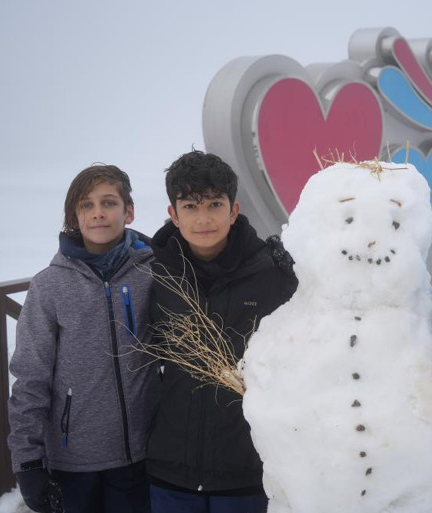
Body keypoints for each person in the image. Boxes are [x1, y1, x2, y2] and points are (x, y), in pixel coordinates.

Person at [146, 150, 297, 513]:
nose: (203, 218)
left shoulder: (272, 273)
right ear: (173, 214)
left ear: (233, 210)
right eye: (190, 206)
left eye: (214, 204)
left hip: (245, 469)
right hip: (170, 468)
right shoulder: (153, 272)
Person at [8, 165, 159, 513]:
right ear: (74, 217)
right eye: (86, 205)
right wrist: (28, 462)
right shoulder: (49, 286)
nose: (98, 213)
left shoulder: (152, 272)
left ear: (129, 211)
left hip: (139, 456)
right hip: (71, 463)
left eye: (108, 202)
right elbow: (30, 377)